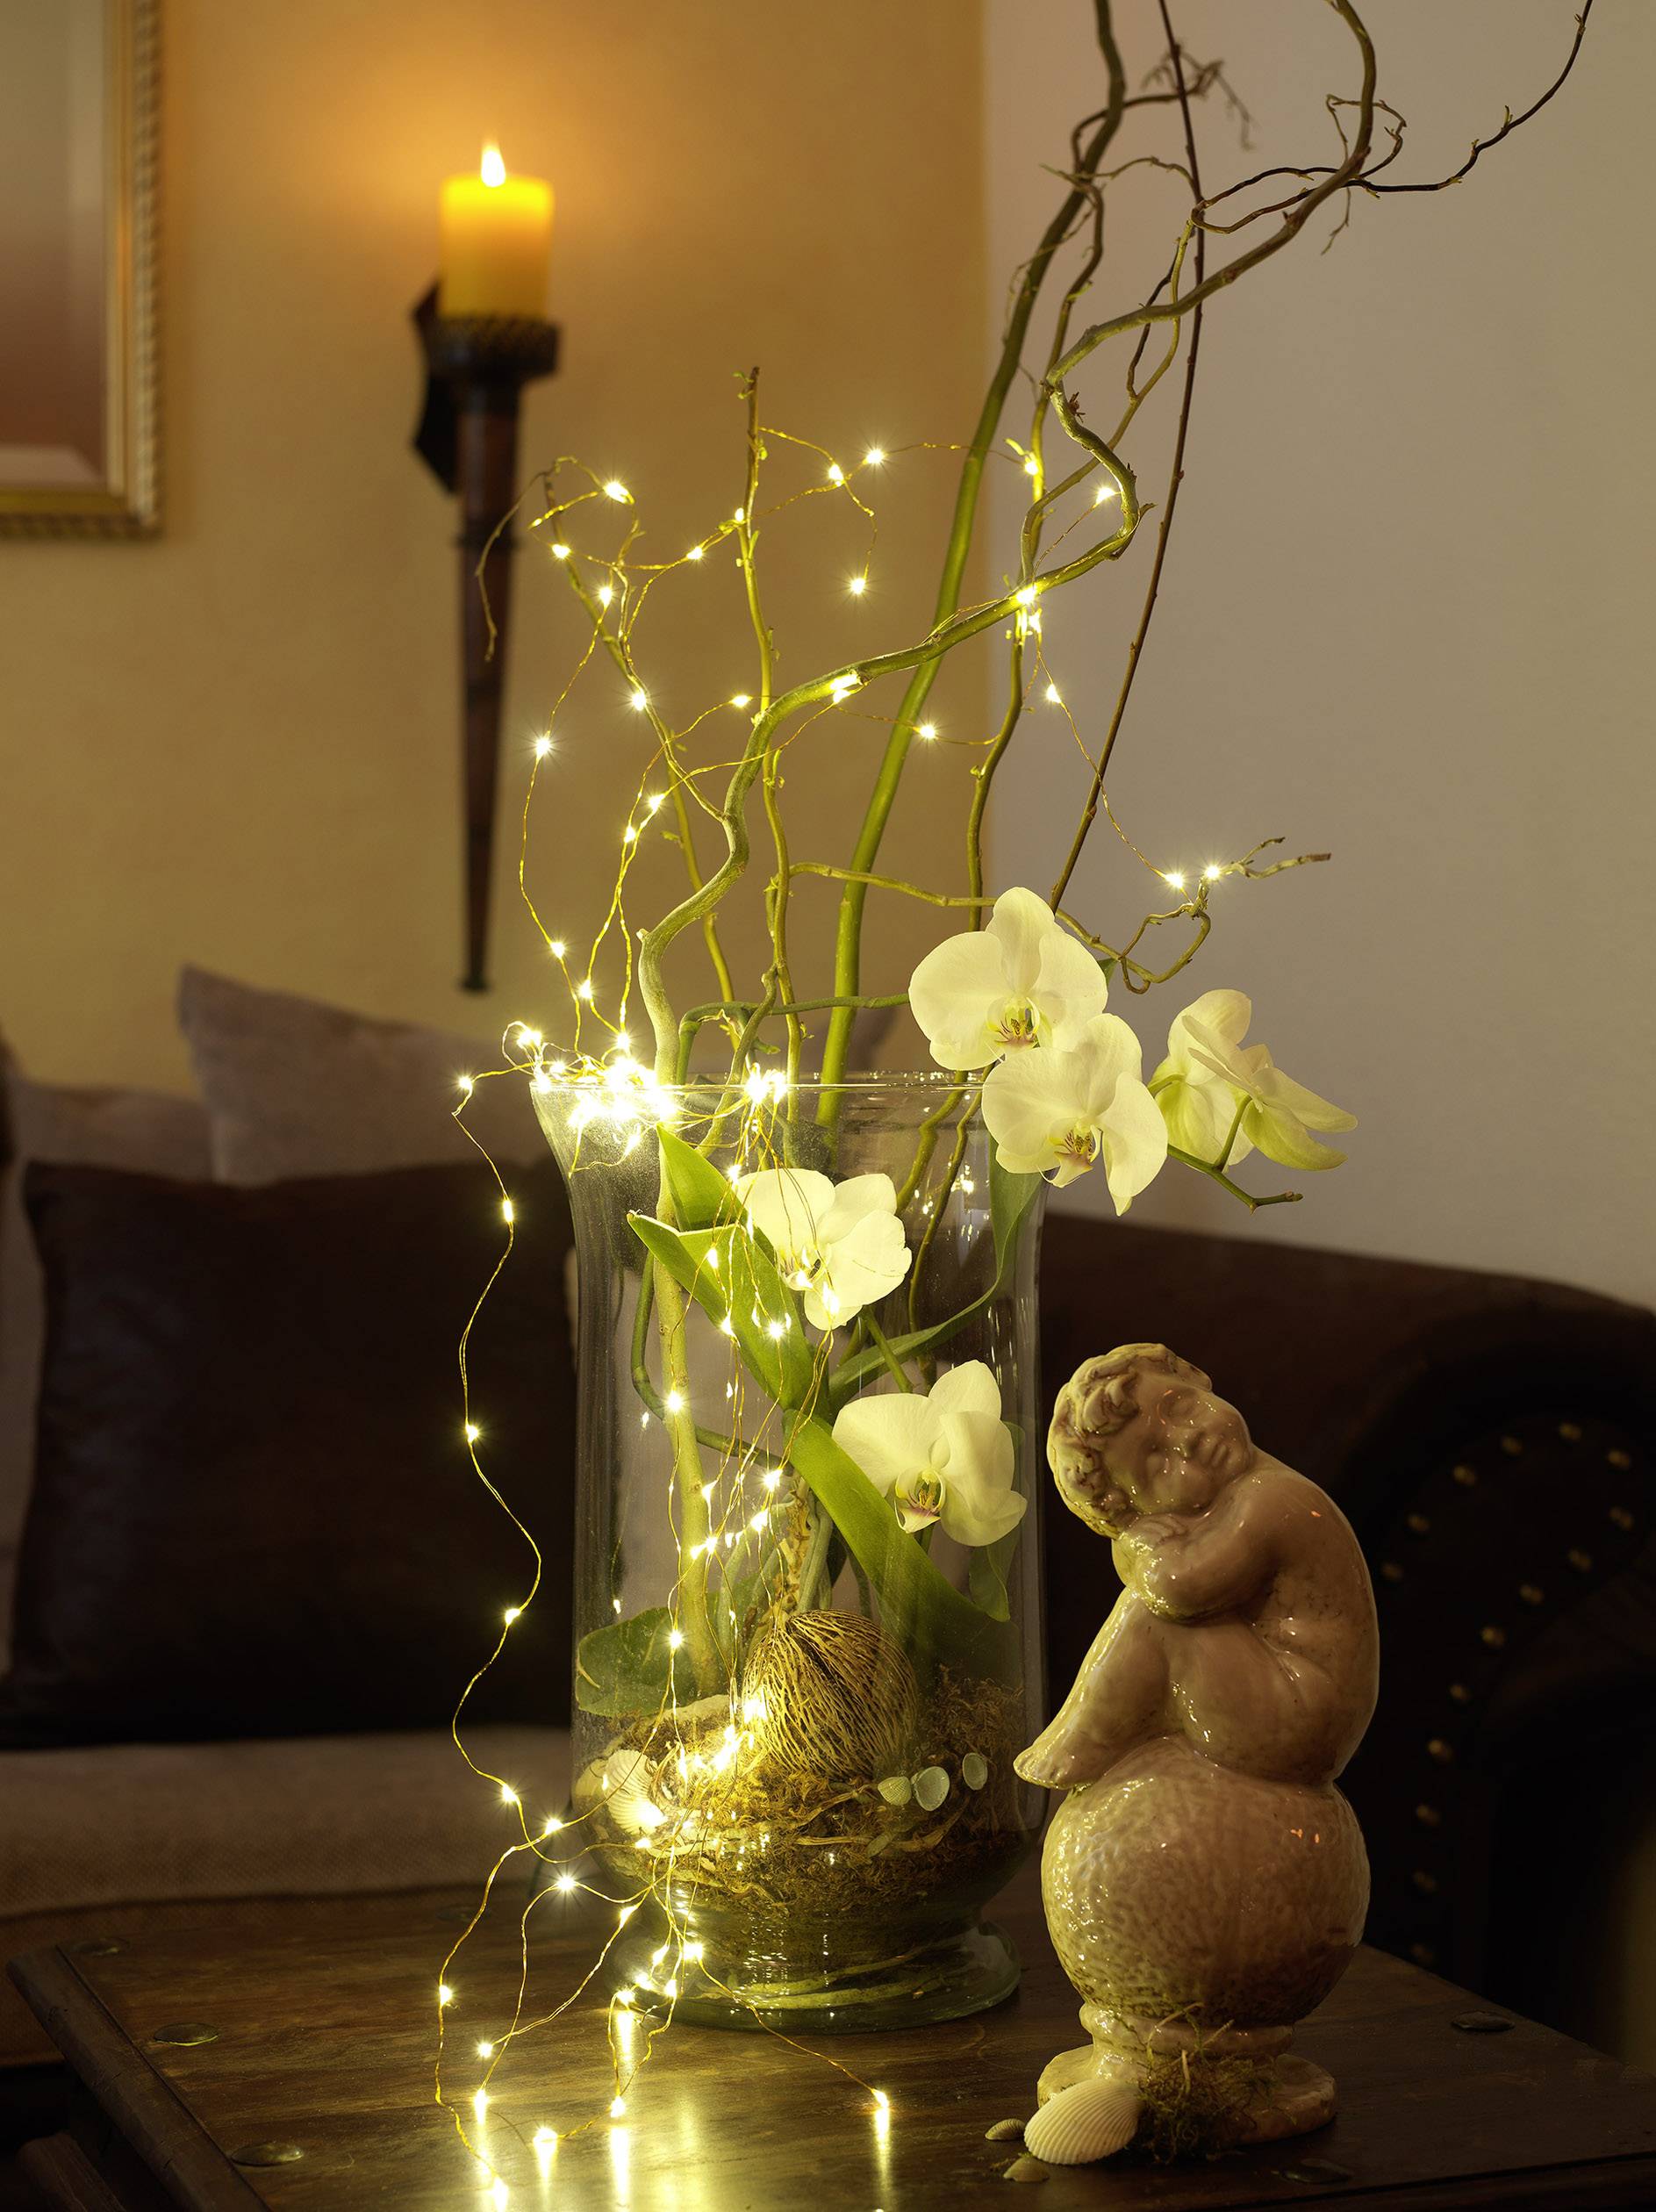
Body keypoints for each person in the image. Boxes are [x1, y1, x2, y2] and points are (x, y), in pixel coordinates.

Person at [1015, 1345, 1379, 1791]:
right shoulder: (1237, 1501)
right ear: (1139, 1507)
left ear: (1196, 1377)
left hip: (1303, 1715)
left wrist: (1135, 1548)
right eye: (1157, 1462)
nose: (1184, 1440)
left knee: (1155, 1617)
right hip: (1290, 1702)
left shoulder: (1272, 1499)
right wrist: (1133, 1543)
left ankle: (1085, 1740)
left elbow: (1178, 1588)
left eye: (1180, 1407)